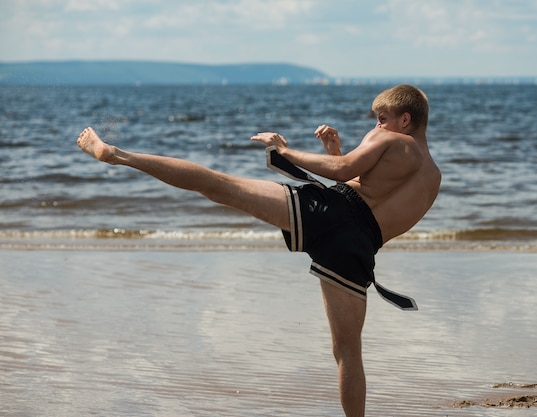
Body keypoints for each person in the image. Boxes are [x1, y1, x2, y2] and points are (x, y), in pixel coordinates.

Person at [76, 84, 441, 417]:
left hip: (331, 213)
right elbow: (372, 194)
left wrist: (284, 150)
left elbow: (345, 174)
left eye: (382, 119)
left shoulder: (395, 141)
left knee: (220, 185)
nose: (377, 126)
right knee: (348, 353)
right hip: (358, 249)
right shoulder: (433, 178)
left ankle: (117, 155)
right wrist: (335, 154)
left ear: (405, 120)